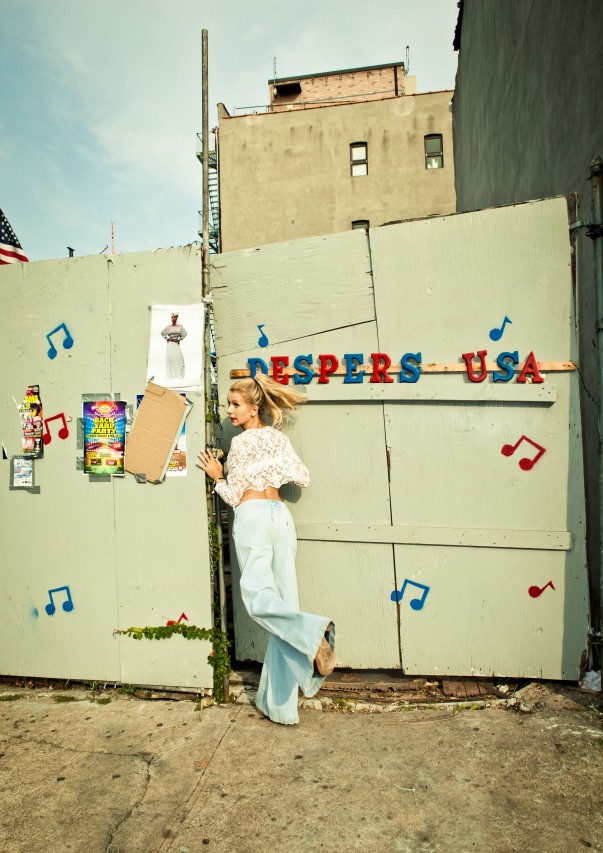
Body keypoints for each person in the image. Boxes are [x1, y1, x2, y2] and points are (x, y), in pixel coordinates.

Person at [197, 373, 336, 726]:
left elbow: (235, 497)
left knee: (259, 598)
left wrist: (218, 476)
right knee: (284, 608)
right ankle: (279, 707)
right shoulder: (278, 438)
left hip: (255, 519)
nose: (230, 411)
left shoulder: (242, 443)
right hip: (281, 519)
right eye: (228, 404)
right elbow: (302, 477)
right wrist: (272, 469)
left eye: (235, 404)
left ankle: (311, 634)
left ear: (253, 408)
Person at [161, 312, 187, 380]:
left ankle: (179, 376)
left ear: (177, 318)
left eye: (174, 317)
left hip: (176, 344)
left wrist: (179, 339)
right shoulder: (169, 327)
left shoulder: (180, 327)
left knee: (179, 359)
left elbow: (184, 334)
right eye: (172, 317)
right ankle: (171, 376)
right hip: (170, 345)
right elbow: (162, 333)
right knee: (171, 359)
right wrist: (167, 338)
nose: (173, 319)